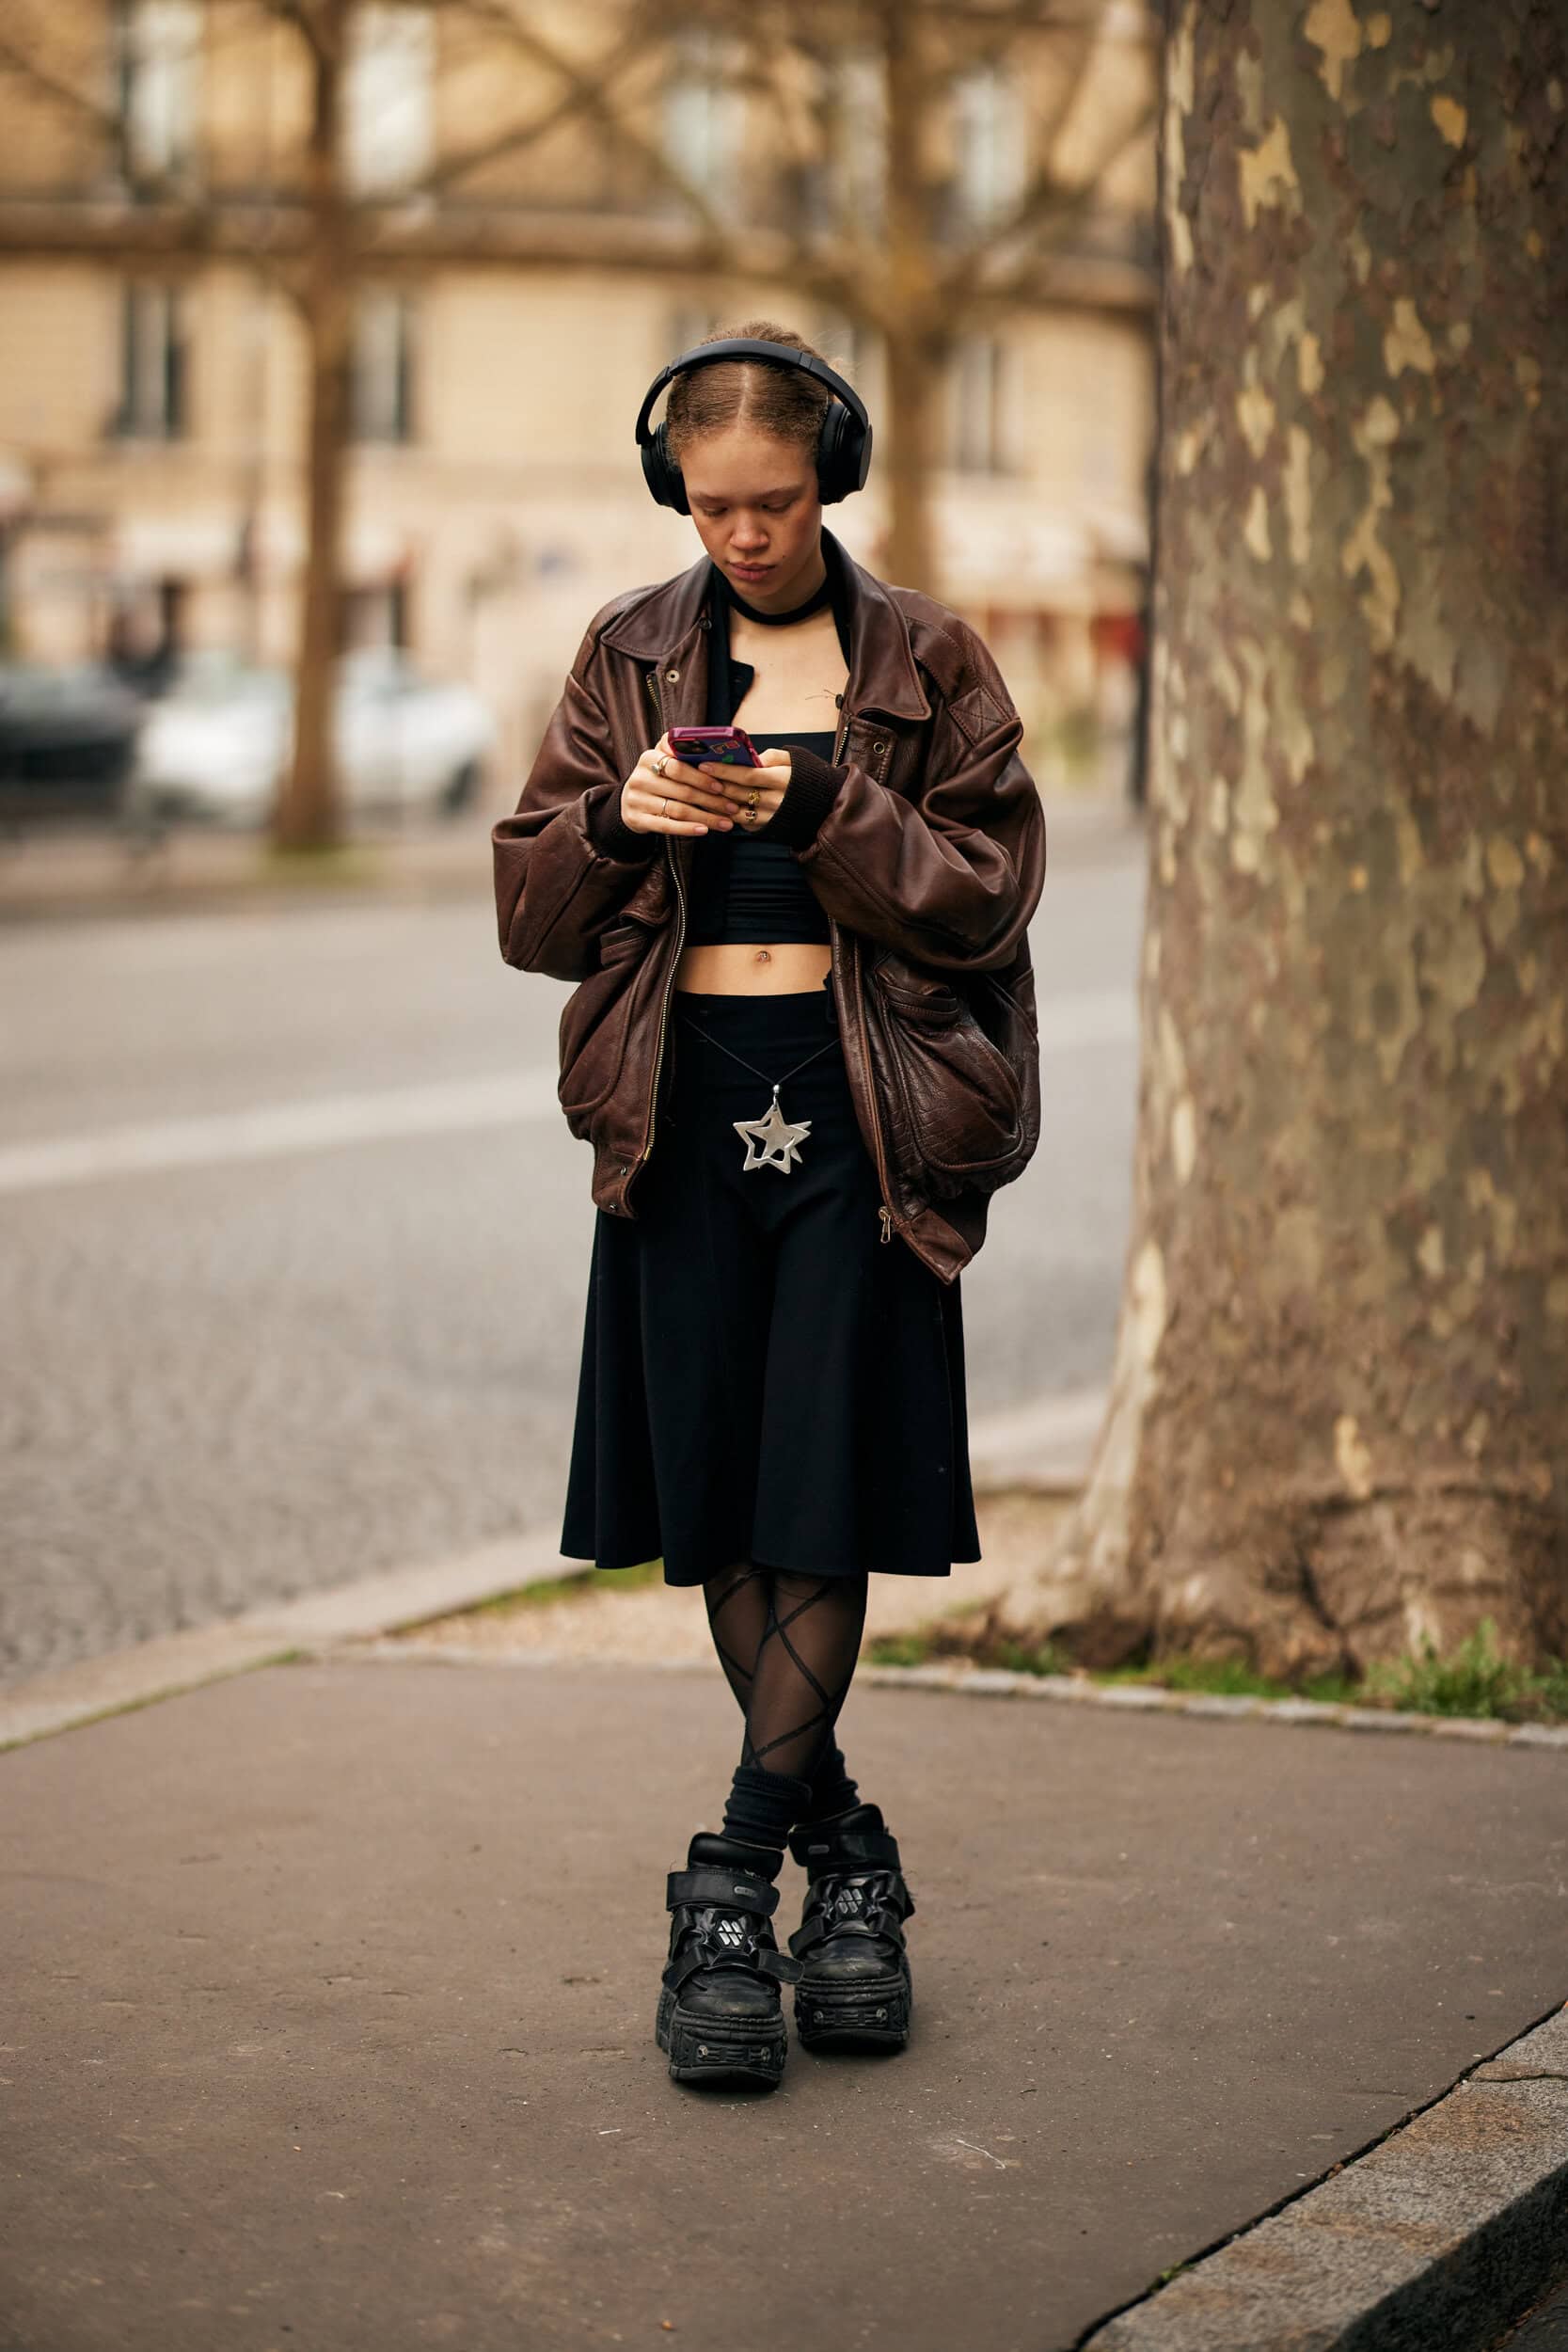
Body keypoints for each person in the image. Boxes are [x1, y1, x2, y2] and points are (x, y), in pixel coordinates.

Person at [492, 321, 1046, 2091]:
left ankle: (733, 1877)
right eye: (714, 504)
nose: (743, 535)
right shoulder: (628, 653)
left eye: (778, 501)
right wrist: (621, 821)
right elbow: (529, 918)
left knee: (817, 1483)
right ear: (674, 486)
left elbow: (983, 898)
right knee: (723, 1479)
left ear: (836, 480)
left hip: (866, 1110)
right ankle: (852, 1862)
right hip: (679, 1110)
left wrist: (820, 800)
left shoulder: (930, 659)